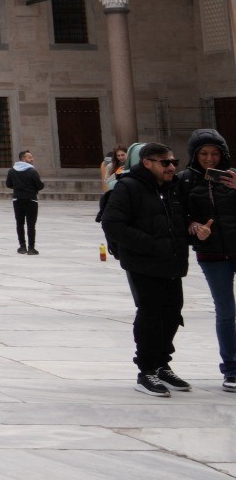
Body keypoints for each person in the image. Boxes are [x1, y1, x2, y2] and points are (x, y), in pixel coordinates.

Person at [102, 141, 192, 397]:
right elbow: (112, 223)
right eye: (165, 163)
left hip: (172, 263)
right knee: (151, 315)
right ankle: (146, 371)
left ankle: (162, 364)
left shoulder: (173, 189)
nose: (172, 167)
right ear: (147, 163)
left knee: (172, 314)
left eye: (174, 162)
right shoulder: (128, 187)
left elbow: (180, 220)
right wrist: (149, 245)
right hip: (144, 263)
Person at [178, 129, 236, 392]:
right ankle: (232, 370)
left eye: (214, 153)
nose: (210, 159)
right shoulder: (185, 181)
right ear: (194, 155)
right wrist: (194, 228)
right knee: (225, 312)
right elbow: (179, 218)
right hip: (212, 254)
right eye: (204, 154)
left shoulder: (233, 176)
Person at [6, 149, 45, 255]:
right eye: (29, 157)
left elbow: (8, 184)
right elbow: (40, 185)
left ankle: (22, 247)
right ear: (23, 159)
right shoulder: (32, 171)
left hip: (17, 200)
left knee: (20, 223)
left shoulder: (12, 171)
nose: (32, 159)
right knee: (31, 224)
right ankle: (31, 248)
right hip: (31, 200)